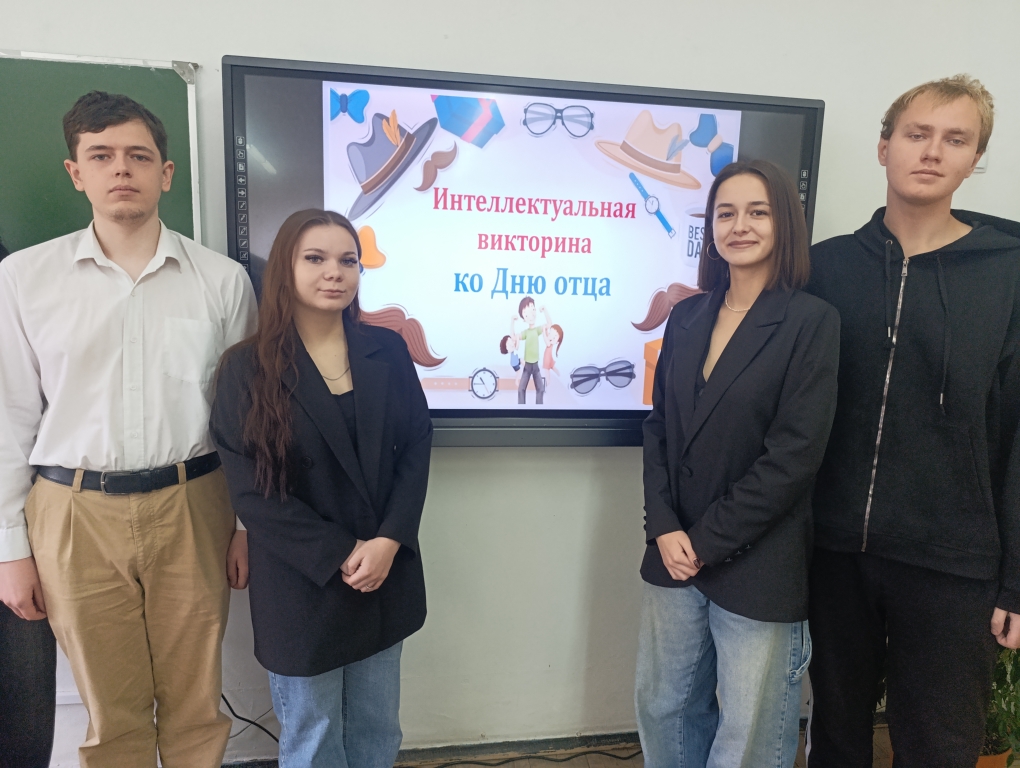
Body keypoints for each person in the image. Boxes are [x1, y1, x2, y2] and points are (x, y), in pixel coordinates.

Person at [0, 91, 256, 768]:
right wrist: (9, 549)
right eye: (102, 156)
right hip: (72, 511)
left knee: (196, 703)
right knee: (109, 713)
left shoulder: (222, 282)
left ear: (166, 174)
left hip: (194, 504)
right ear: (75, 172)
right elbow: (9, 417)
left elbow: (246, 419)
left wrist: (245, 525)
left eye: (139, 156)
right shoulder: (23, 279)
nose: (122, 169)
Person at [805, 75, 1020, 767]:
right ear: (884, 147)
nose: (932, 152)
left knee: (939, 747)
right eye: (917, 134)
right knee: (835, 736)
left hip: (954, 562)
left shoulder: (1009, 277)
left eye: (955, 139)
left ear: (974, 159)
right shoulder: (825, 268)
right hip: (835, 551)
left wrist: (1016, 579)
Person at [210, 209, 433, 768]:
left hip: (382, 571)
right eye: (315, 258)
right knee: (313, 736)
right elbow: (252, 493)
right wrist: (340, 553)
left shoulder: (387, 350)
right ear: (285, 268)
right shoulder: (245, 369)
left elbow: (417, 447)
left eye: (348, 260)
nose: (335, 272)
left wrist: (389, 540)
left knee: (377, 729)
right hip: (301, 582)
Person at [638, 159, 839, 768]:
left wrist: (704, 542)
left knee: (748, 730)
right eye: (725, 213)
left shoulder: (811, 322)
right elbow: (659, 429)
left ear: (784, 224)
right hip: (674, 551)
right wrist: (664, 526)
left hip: (759, 561)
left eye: (757, 212)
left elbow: (794, 457)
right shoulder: (687, 315)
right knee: (665, 708)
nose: (739, 226)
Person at [511, 297, 551, 404]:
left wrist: (545, 310)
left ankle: (539, 410)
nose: (531, 314)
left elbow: (549, 324)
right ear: (524, 318)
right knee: (521, 389)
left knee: (541, 389)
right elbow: (514, 337)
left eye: (533, 310)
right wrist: (512, 322)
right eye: (526, 313)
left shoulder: (537, 330)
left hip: (536, 366)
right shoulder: (526, 333)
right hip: (527, 366)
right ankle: (521, 410)